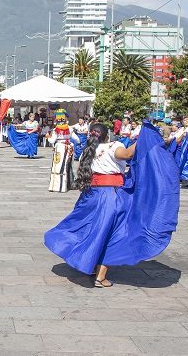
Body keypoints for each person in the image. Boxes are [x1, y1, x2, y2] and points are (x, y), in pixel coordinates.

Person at [44, 122, 180, 287]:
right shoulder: (113, 147)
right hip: (110, 196)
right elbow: (128, 154)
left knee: (92, 230)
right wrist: (144, 138)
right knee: (113, 233)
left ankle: (91, 264)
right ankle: (100, 277)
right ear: (107, 135)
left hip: (91, 195)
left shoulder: (88, 152)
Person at [47, 109, 79, 193]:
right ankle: (66, 185)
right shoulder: (70, 128)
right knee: (67, 166)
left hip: (60, 147)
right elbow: (77, 139)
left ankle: (58, 186)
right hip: (68, 147)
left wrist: (48, 137)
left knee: (58, 166)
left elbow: (52, 141)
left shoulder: (56, 130)